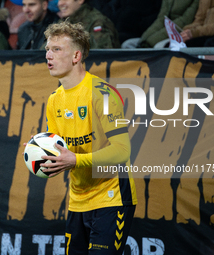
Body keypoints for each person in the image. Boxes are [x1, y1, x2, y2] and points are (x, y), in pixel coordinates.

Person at [38, 20, 137, 254]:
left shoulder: (102, 93)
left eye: (56, 49)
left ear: (76, 56)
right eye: (47, 50)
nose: (48, 56)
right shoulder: (54, 99)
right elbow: (61, 151)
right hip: (78, 199)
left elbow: (123, 150)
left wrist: (75, 160)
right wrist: (43, 154)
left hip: (111, 196)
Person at [122, 0, 199, 49]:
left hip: (178, 32)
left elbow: (185, 20)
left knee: (157, 47)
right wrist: (145, 38)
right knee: (127, 45)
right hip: (161, 32)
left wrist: (152, 40)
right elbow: (161, 18)